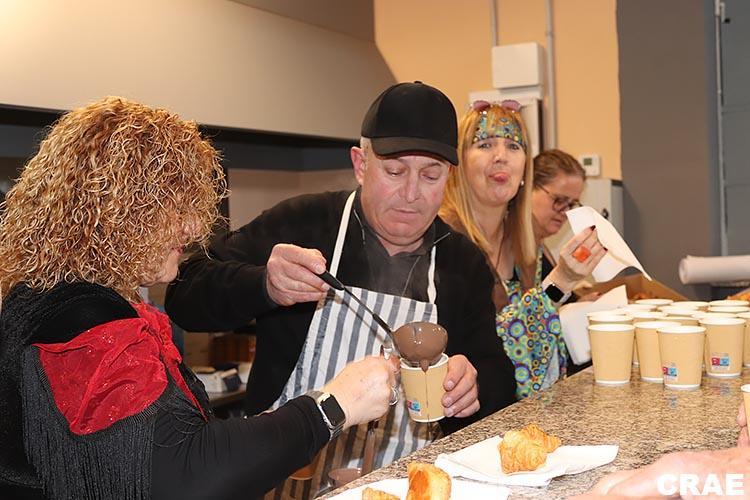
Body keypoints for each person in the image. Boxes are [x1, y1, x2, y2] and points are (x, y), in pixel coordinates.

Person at [0, 97, 397, 500]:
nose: (192, 228)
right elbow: (186, 476)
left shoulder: (40, 297)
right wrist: (333, 405)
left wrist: (266, 438)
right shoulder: (84, 325)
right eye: (175, 209)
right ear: (117, 211)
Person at [165, 82, 518, 494]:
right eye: (394, 171)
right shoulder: (302, 223)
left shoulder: (462, 263)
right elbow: (184, 294)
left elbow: (497, 378)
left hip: (406, 486)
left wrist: (473, 387)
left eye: (430, 175)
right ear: (360, 164)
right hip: (285, 482)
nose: (411, 194)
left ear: (448, 178)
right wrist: (263, 284)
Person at [439, 100, 606, 399]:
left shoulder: (525, 242)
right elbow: (489, 349)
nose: (501, 156)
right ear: (458, 162)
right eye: (485, 144)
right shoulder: (443, 244)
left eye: (513, 146)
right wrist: (561, 281)